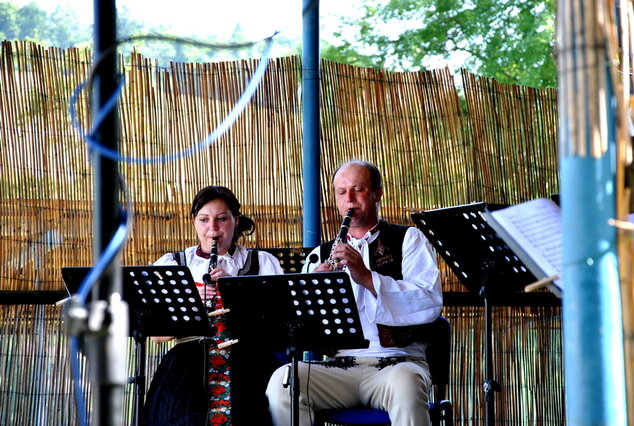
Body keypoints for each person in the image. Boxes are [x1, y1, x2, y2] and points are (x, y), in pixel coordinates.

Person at [266, 160, 443, 426]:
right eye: (341, 192)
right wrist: (313, 293)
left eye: (358, 190)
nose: (348, 199)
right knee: (284, 382)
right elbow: (300, 329)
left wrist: (367, 276)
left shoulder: (409, 239)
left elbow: (429, 301)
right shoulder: (319, 255)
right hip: (339, 368)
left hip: (396, 366)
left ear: (377, 193)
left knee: (406, 384)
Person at [143, 185, 284, 426]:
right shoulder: (174, 263)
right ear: (194, 222)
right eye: (204, 220)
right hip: (188, 360)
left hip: (248, 359)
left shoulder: (261, 262)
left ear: (235, 221)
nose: (213, 230)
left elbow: (279, 326)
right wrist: (191, 302)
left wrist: (235, 291)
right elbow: (157, 335)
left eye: (221, 219)